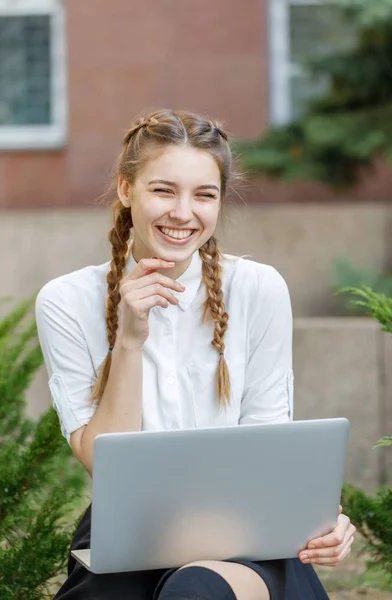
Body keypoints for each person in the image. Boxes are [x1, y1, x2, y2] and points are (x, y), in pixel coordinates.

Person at [35, 108, 355, 600]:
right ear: (126, 190)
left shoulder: (258, 289)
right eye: (163, 190)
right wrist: (130, 339)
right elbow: (103, 460)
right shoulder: (65, 300)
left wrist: (317, 518)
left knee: (197, 589)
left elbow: (268, 445)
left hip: (244, 531)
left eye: (204, 194)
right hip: (130, 534)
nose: (183, 213)